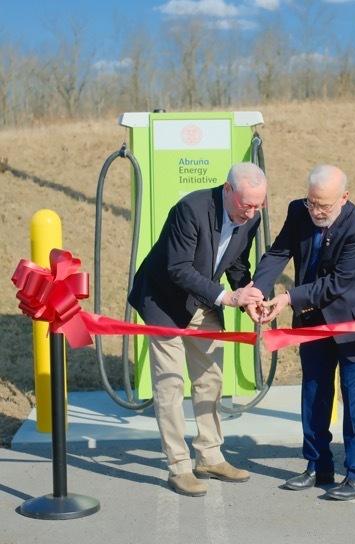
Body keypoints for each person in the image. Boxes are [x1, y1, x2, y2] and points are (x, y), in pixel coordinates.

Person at [247, 164, 355, 501]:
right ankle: (317, 465)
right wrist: (257, 289)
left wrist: (287, 298)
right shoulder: (299, 211)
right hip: (312, 321)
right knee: (314, 395)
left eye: (324, 205)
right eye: (312, 202)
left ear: (344, 198)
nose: (316, 211)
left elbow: (337, 283)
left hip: (354, 323)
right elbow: (279, 251)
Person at [129, 162, 267, 497]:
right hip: (162, 300)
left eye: (258, 205)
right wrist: (227, 296)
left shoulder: (252, 218)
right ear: (227, 190)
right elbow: (178, 268)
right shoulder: (190, 209)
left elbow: (236, 263)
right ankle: (178, 466)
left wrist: (248, 296)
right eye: (246, 204)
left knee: (210, 379)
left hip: (202, 300)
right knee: (171, 383)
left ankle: (209, 455)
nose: (251, 213)